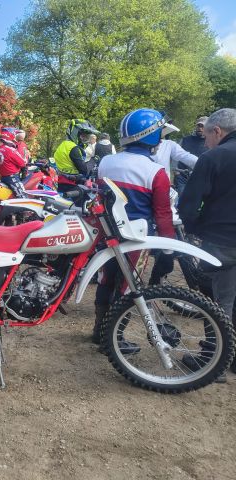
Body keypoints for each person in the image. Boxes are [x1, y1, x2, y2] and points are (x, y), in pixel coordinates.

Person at [93, 109, 177, 350]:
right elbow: (163, 214)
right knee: (128, 287)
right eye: (159, 135)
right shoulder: (156, 171)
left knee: (106, 280)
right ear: (150, 136)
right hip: (136, 238)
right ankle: (114, 339)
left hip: (107, 234)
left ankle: (99, 331)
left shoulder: (106, 162)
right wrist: (169, 249)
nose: (161, 139)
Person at [179, 108, 236, 378]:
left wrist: (195, 230)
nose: (205, 142)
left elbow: (188, 206)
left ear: (217, 131)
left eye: (207, 137)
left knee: (218, 301)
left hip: (221, 240)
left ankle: (215, 362)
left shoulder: (213, 157)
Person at [53, 119, 99, 196]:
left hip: (61, 183)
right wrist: (93, 160)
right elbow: (84, 170)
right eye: (82, 136)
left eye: (86, 137)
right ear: (75, 133)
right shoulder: (73, 148)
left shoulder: (63, 145)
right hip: (73, 185)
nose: (84, 139)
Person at [177, 116, 209, 195]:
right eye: (198, 125)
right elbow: (176, 154)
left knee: (197, 200)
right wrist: (176, 170)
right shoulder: (185, 140)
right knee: (182, 200)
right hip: (183, 177)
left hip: (201, 178)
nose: (200, 128)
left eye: (202, 126)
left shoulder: (210, 142)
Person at [0, 126, 27, 197]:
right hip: (12, 177)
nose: (16, 137)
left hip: (3, 176)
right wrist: (25, 160)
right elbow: (22, 163)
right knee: (23, 197)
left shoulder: (0, 149)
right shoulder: (11, 150)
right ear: (11, 135)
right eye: (15, 135)